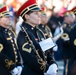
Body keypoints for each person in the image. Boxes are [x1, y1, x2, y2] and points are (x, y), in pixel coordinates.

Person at [17, 0, 58, 75]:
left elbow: (48, 51)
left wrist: (53, 63)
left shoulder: (39, 31)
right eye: (36, 13)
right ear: (27, 16)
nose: (39, 15)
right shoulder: (23, 34)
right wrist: (47, 69)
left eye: (39, 13)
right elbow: (31, 59)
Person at [0, 5, 23, 75]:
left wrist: (19, 64)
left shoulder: (11, 32)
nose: (10, 18)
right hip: (3, 70)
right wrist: (11, 66)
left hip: (15, 69)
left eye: (10, 16)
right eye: (7, 17)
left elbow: (16, 48)